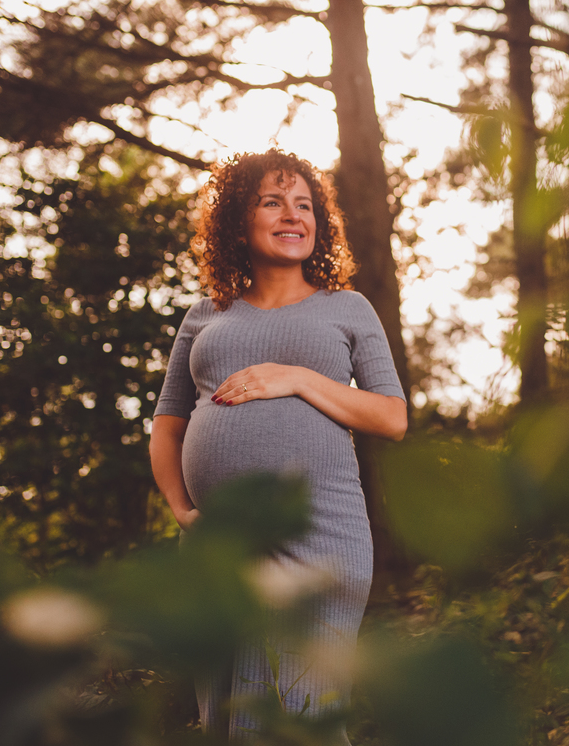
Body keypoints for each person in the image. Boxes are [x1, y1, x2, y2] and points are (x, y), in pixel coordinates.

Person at [148, 149, 407, 740]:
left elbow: (392, 417)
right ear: (240, 220)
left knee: (300, 715)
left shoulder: (347, 307)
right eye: (273, 202)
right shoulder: (204, 314)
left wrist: (296, 377)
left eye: (304, 205)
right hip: (218, 541)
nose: (293, 215)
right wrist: (182, 509)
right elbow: (168, 423)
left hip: (319, 533)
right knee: (227, 717)